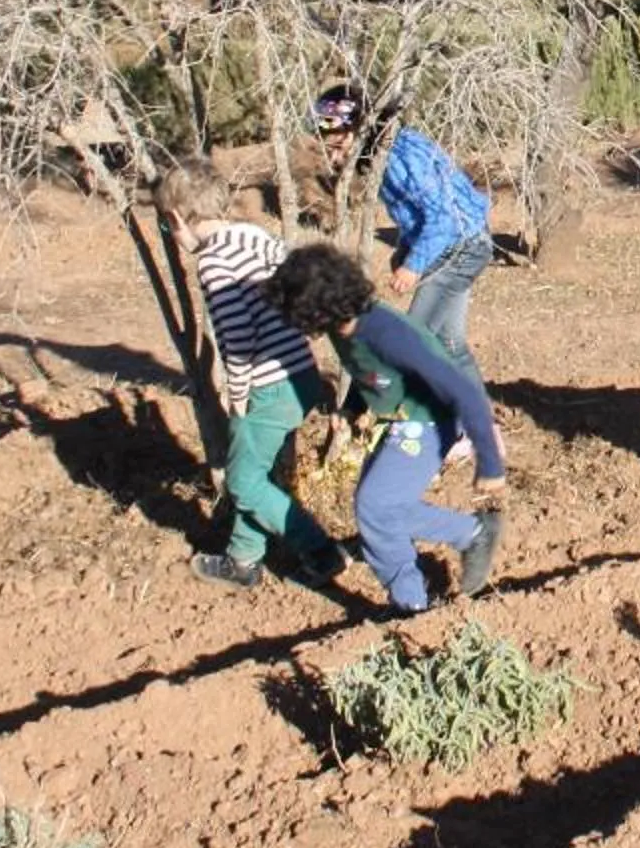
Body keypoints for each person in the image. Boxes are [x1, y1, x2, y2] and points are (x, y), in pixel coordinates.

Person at [264, 240, 505, 614]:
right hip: (404, 419)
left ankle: (459, 548)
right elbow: (372, 374)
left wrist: (489, 462)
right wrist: (353, 407)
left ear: (314, 309)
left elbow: (463, 390)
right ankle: (414, 593)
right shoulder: (344, 325)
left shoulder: (386, 334)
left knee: (377, 508)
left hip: (430, 421)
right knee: (377, 507)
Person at [150, 158, 351, 590]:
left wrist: (236, 392)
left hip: (267, 385)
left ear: (179, 219)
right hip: (300, 372)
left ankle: (320, 550)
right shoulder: (256, 237)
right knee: (252, 471)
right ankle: (243, 558)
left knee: (241, 481)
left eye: (169, 228)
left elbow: (236, 340)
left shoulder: (214, 263)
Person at [314, 84, 494, 369]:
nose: (335, 159)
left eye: (338, 146)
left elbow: (443, 217)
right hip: (455, 244)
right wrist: (406, 250)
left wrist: (414, 265)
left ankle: (394, 409)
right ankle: (472, 410)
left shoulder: (400, 156)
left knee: (412, 341)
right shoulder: (385, 155)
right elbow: (417, 213)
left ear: (360, 129)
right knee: (450, 343)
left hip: (462, 246)